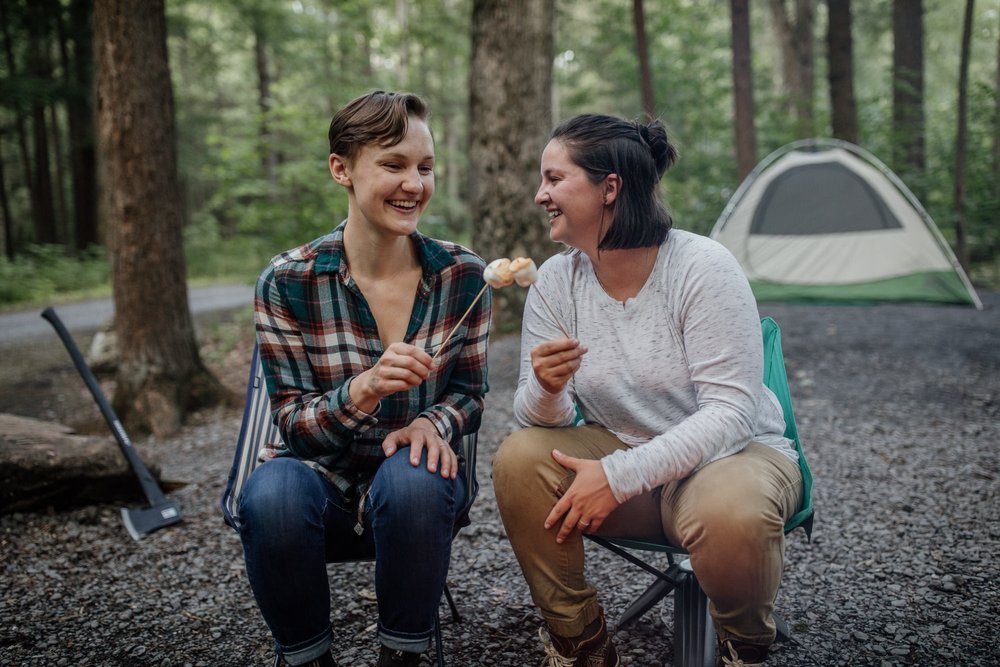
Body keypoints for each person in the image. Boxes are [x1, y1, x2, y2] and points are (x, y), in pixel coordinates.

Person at [492, 114, 803, 667]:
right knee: (519, 460)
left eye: (554, 179)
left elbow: (731, 413)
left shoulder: (702, 267)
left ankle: (744, 646)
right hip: (625, 459)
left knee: (730, 509)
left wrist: (617, 476)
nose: (540, 195)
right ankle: (580, 643)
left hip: (731, 459)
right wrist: (547, 388)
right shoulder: (556, 283)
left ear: (609, 187)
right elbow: (537, 419)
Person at [238, 90, 490, 667]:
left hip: (416, 496)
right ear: (341, 170)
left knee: (416, 479)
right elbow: (293, 426)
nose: (414, 184)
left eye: (425, 168)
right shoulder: (287, 281)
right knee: (271, 494)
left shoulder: (463, 276)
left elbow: (470, 393)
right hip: (314, 483)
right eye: (394, 165)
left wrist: (434, 419)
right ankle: (308, 658)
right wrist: (364, 388)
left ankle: (401, 656)